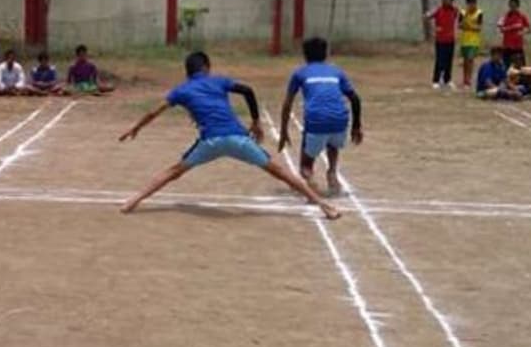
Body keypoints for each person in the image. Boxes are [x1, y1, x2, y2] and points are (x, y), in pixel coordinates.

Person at [118, 51, 340, 219]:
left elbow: (154, 111)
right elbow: (248, 90)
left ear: (188, 72)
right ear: (206, 67)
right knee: (278, 171)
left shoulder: (182, 90)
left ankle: (133, 201)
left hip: (210, 141)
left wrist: (136, 128)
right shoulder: (218, 81)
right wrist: (255, 121)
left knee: (173, 171)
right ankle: (324, 205)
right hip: (238, 138)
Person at [277, 37, 363, 195]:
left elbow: (287, 104)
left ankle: (310, 182)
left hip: (316, 121)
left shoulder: (300, 73)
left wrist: (283, 131)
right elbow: (355, 98)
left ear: (305, 55)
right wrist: (356, 126)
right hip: (340, 120)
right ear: (326, 54)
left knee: (305, 166)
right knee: (332, 141)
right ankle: (332, 172)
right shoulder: (336, 71)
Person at [423, 0, 459, 89]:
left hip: (450, 40)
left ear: (452, 0)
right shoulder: (438, 10)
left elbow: (459, 19)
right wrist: (433, 29)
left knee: (449, 61)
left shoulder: (455, 11)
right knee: (439, 60)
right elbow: (427, 16)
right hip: (440, 40)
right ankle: (436, 80)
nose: (446, 1)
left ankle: (447, 79)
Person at [458, 0, 484, 88]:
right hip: (464, 40)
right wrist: (464, 24)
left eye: (473, 3)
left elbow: (479, 28)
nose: (471, 5)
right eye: (469, 3)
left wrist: (469, 27)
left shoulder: (479, 13)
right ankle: (464, 79)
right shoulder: (463, 12)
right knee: (465, 61)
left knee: (470, 59)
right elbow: (459, 25)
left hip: (474, 40)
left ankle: (469, 80)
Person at [497, 0, 531, 68]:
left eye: (514, 6)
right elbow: (501, 29)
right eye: (511, 6)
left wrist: (522, 32)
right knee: (506, 67)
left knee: (521, 67)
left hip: (518, 46)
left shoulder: (522, 16)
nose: (512, 8)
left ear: (518, 6)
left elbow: (529, 29)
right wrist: (512, 27)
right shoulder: (505, 16)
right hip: (507, 46)